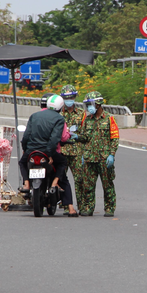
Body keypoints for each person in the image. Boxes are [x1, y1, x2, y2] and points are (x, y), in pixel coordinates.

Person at [19, 94, 78, 217]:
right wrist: (50, 154)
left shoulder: (34, 116)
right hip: (47, 152)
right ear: (61, 107)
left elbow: (25, 137)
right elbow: (54, 139)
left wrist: (26, 151)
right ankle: (55, 184)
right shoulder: (59, 119)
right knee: (62, 163)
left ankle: (26, 183)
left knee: (22, 162)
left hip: (32, 152)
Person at [79, 91, 119, 217]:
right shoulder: (87, 119)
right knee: (88, 186)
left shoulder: (109, 118)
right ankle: (88, 207)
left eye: (90, 104)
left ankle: (109, 208)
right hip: (90, 158)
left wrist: (111, 154)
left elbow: (115, 138)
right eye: (87, 105)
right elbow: (84, 137)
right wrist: (79, 143)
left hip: (104, 158)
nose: (89, 107)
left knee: (107, 185)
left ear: (98, 104)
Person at [59, 85, 86, 214]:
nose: (69, 100)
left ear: (75, 97)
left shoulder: (82, 114)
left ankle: (81, 206)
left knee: (80, 180)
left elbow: (86, 133)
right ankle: (66, 205)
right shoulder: (58, 113)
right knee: (62, 180)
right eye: (66, 98)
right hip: (62, 152)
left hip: (76, 151)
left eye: (71, 97)